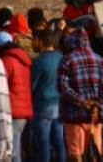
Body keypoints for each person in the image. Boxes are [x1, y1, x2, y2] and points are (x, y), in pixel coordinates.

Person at [57, 28, 103, 161]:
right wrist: (98, 104)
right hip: (95, 117)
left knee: (75, 154)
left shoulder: (66, 60)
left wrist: (82, 101)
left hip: (74, 116)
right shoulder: (100, 60)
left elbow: (62, 87)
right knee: (95, 153)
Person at [0, 31, 34, 162]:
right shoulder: (22, 59)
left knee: (13, 151)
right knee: (17, 148)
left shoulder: (6, 60)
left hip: (12, 110)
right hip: (23, 110)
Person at [29, 28, 64, 162]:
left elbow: (31, 86)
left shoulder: (39, 61)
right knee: (59, 142)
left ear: (41, 41)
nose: (33, 43)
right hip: (60, 105)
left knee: (44, 145)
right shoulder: (61, 57)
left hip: (43, 106)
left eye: (35, 40)